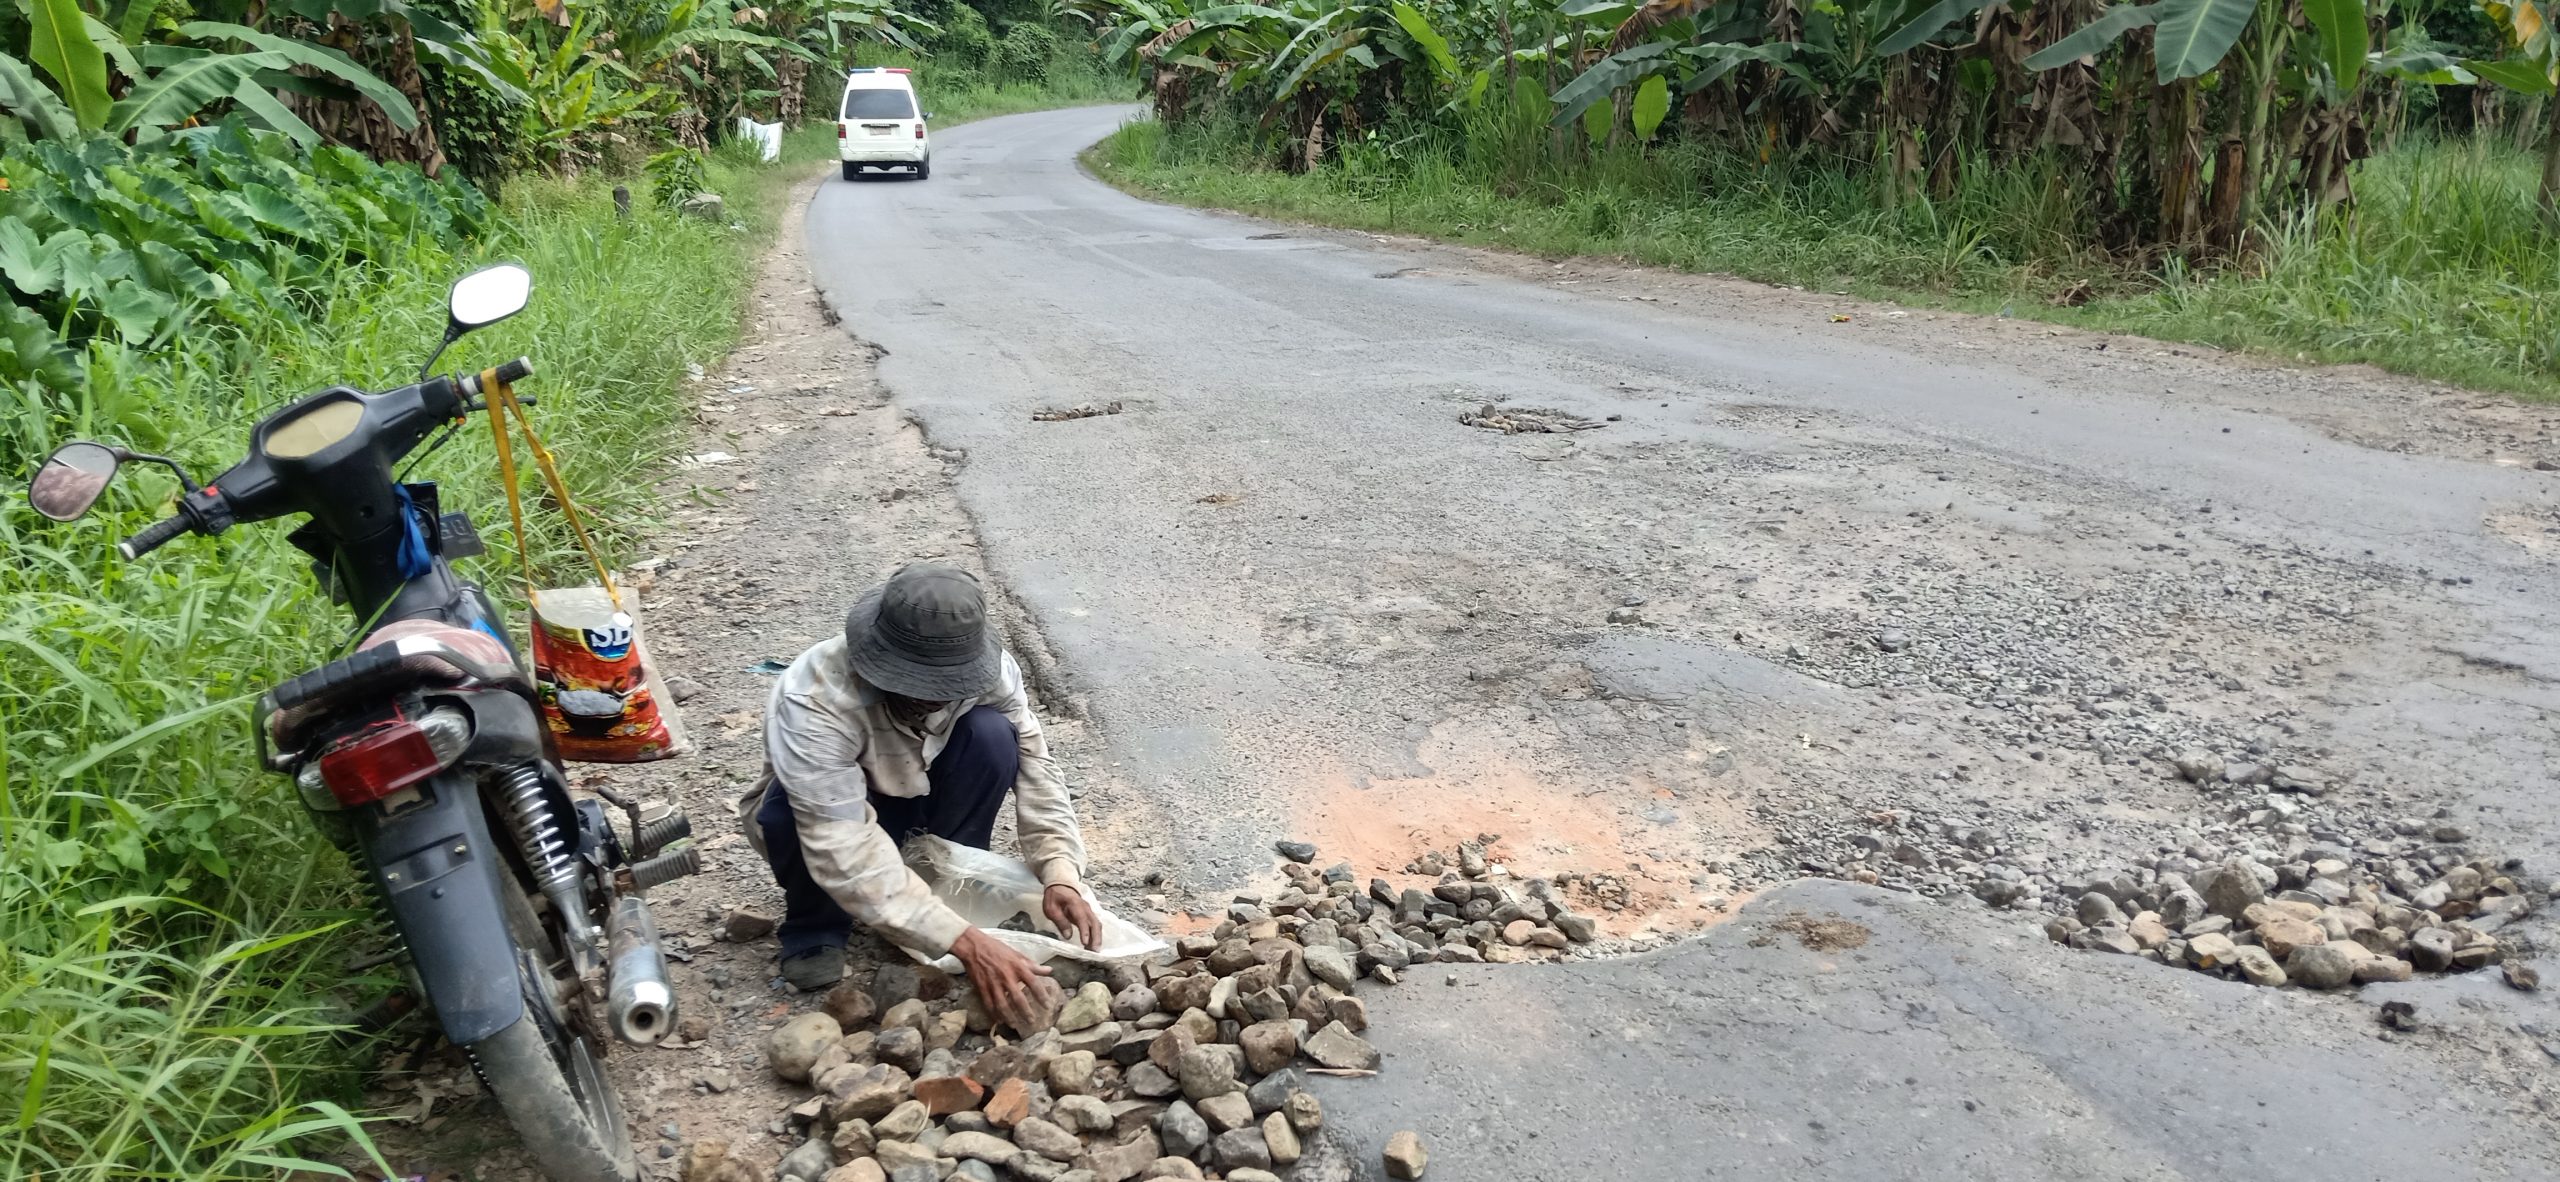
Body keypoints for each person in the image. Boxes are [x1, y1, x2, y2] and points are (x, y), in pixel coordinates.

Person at [740, 563, 1098, 1028]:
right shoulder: (813, 699)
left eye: (946, 688)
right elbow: (838, 839)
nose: (932, 699)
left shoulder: (993, 670)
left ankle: (944, 889)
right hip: (837, 814)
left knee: (992, 737)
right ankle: (815, 927)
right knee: (787, 811)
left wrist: (1060, 871)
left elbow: (1036, 767)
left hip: (922, 790)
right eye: (916, 686)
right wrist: (967, 944)